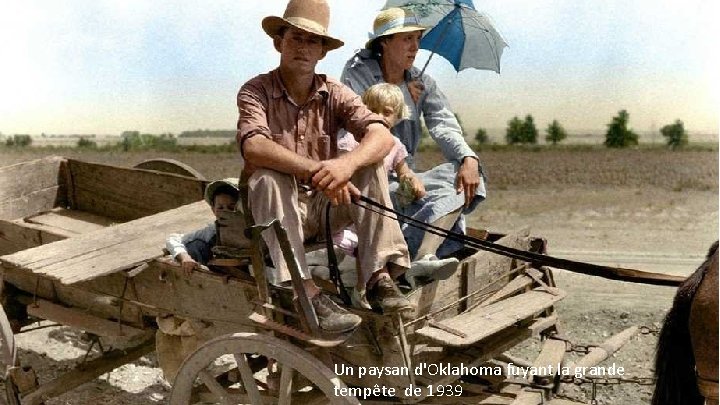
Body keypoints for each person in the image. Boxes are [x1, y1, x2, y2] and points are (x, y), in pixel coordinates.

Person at [237, 0, 413, 334]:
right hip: (276, 217)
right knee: (267, 177)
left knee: (369, 163)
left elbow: (381, 136)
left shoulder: (334, 92)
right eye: (295, 38)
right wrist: (317, 172)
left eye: (312, 41)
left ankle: (378, 278)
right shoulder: (256, 91)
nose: (303, 47)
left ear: (322, 52)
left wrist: (345, 165)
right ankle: (303, 290)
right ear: (279, 42)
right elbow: (254, 145)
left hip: (324, 209)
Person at [340, 7, 487, 259]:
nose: (415, 47)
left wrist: (467, 158)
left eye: (418, 38)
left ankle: (425, 256)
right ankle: (414, 243)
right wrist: (403, 95)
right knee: (432, 211)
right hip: (369, 180)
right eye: (407, 38)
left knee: (464, 175)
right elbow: (362, 119)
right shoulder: (357, 73)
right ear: (384, 42)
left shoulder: (423, 82)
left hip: (406, 179)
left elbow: (443, 124)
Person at [166, 178, 239, 275]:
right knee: (195, 246)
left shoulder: (252, 230)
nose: (225, 212)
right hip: (224, 275)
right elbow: (174, 239)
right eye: (220, 208)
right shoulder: (212, 231)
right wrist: (185, 257)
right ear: (213, 210)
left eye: (231, 207)